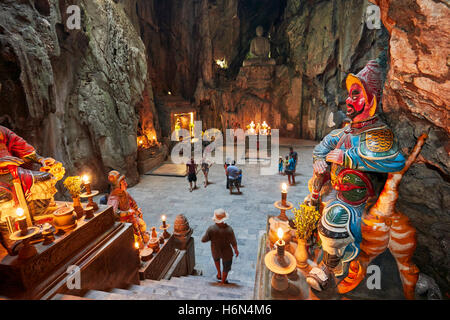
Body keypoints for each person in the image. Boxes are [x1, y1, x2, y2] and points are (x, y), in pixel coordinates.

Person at [201, 209, 239, 285]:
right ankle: (223, 281)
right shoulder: (229, 230)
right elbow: (233, 242)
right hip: (226, 252)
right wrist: (236, 250)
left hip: (215, 250)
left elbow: (203, 240)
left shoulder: (211, 229)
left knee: (216, 260)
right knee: (226, 267)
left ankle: (219, 274)